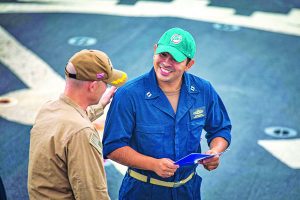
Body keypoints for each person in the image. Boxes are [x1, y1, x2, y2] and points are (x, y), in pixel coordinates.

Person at [102, 27, 232, 200]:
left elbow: (220, 129)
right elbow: (112, 146)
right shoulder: (128, 95)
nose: (166, 63)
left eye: (175, 59)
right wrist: (153, 164)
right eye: (163, 54)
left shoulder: (203, 90)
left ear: (189, 64)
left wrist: (215, 151)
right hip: (142, 192)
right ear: (155, 50)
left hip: (188, 191)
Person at [28, 49, 127, 199]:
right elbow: (92, 194)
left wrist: (100, 106)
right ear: (93, 86)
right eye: (105, 83)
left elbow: (70, 121)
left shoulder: (48, 109)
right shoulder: (82, 133)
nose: (106, 87)